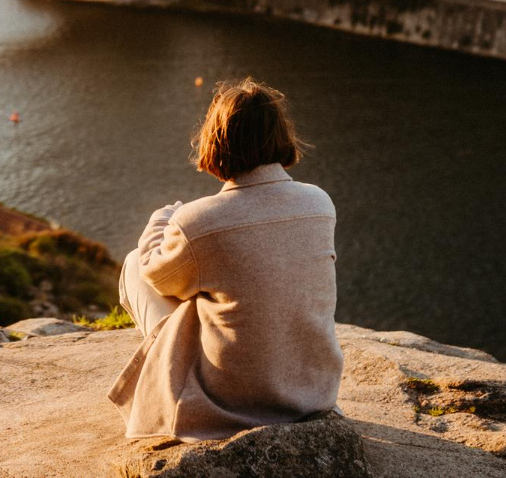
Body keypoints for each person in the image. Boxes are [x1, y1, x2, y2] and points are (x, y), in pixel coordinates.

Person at [107, 78, 342, 442]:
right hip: (311, 394)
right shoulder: (319, 204)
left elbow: (157, 278)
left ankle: (168, 382)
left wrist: (163, 220)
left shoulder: (198, 221)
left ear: (216, 141)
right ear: (282, 136)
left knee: (137, 263)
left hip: (231, 402)